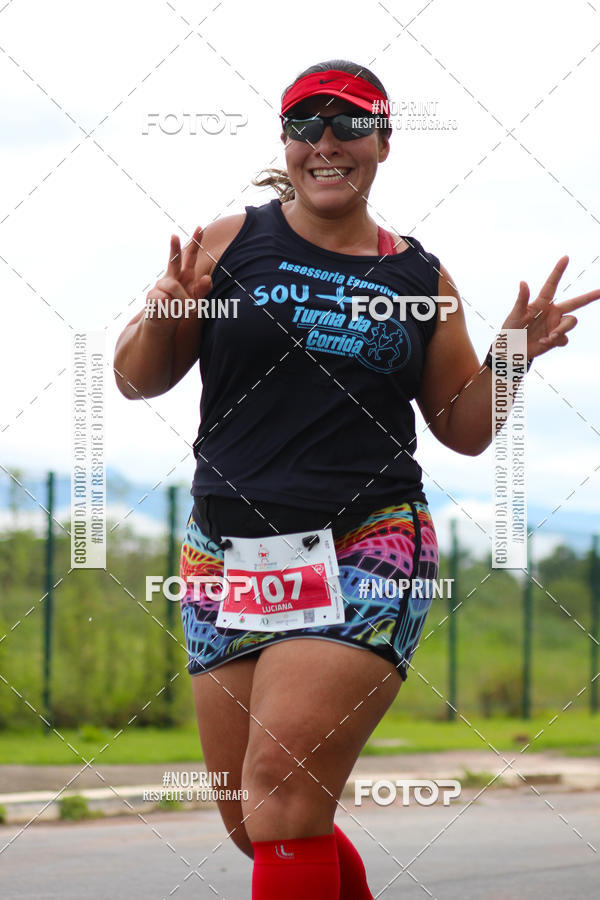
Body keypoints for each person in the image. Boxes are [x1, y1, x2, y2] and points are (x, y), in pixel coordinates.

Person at [114, 59, 600, 899]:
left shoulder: (419, 279)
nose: (325, 142)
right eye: (306, 124)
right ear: (286, 142)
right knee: (252, 816)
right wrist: (166, 311)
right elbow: (134, 378)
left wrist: (513, 356)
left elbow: (463, 427)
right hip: (224, 556)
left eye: (347, 123)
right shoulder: (230, 243)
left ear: (382, 139)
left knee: (282, 792)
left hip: (366, 544)